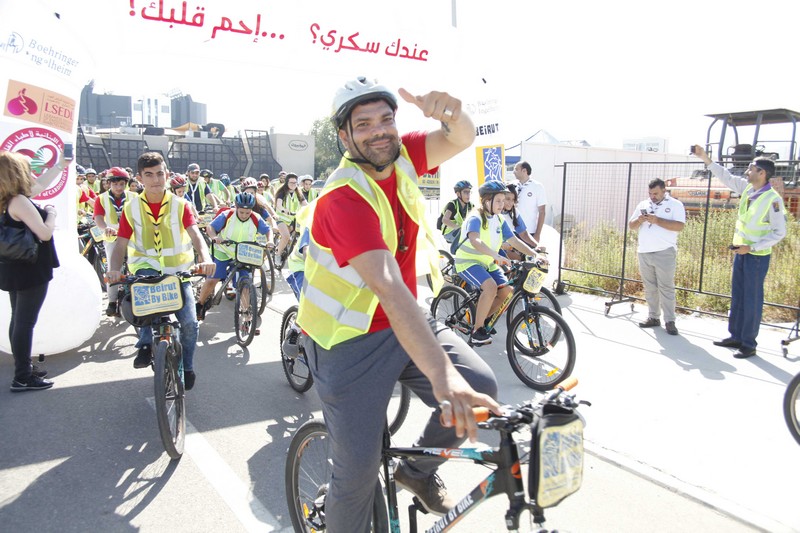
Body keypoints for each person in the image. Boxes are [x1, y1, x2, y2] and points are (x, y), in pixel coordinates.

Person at [295, 77, 500, 531]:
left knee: (480, 386)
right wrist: (442, 378)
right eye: (363, 124)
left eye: (386, 119)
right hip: (346, 342)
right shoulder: (342, 198)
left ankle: (415, 472)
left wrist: (452, 114)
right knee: (357, 476)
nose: (379, 131)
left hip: (403, 324)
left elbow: (460, 138)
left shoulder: (402, 155)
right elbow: (389, 287)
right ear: (344, 136)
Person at [107, 152, 215, 390]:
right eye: (149, 175)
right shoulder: (130, 207)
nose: (155, 179)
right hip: (145, 270)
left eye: (159, 174)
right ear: (139, 178)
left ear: (167, 175)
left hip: (179, 272)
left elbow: (196, 235)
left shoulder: (181, 205)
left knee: (189, 323)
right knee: (140, 308)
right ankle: (145, 343)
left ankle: (187, 367)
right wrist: (114, 270)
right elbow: (121, 243)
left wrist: (205, 258)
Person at [693, 145, 787, 358]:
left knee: (752, 299)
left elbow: (779, 233)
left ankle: (748, 343)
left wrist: (751, 247)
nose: (747, 171)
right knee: (738, 296)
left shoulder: (773, 200)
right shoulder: (747, 189)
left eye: (751, 168)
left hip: (756, 257)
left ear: (762, 173)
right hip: (741, 254)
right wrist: (706, 159)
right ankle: (735, 336)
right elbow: (725, 176)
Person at [0, 150, 66, 392]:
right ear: (18, 174)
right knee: (24, 322)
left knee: (18, 319)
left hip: (13, 266)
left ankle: (23, 367)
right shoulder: (18, 200)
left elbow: (38, 187)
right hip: (29, 268)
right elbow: (44, 233)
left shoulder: (8, 199)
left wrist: (60, 166)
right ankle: (22, 376)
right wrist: (51, 214)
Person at [454, 180, 539, 345]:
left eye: (504, 200)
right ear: (487, 201)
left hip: (487, 262)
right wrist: (496, 255)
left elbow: (514, 240)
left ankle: (483, 318)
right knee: (491, 287)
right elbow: (475, 240)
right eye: (498, 201)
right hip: (467, 262)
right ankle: (476, 331)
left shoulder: (499, 220)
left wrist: (534, 254)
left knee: (507, 291)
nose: (502, 204)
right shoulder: (475, 216)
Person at [195, 192, 270, 319]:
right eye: (241, 212)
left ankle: (247, 316)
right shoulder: (227, 215)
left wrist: (270, 241)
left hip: (243, 253)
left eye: (248, 212)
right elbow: (210, 227)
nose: (245, 215)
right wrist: (214, 237)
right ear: (236, 208)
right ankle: (200, 304)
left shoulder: (256, 218)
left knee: (246, 283)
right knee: (213, 279)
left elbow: (268, 231)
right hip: (223, 250)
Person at [628, 178, 686, 336]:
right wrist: (640, 220)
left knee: (666, 287)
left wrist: (657, 220)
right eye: (650, 193)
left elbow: (680, 226)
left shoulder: (675, 204)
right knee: (650, 287)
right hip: (644, 252)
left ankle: (670, 321)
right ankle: (653, 317)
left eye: (656, 193)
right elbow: (631, 226)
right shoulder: (643, 205)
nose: (652, 196)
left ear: (664, 191)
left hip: (664, 252)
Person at [93, 166, 133, 316]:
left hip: (131, 237)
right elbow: (98, 217)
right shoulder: (101, 198)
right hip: (112, 237)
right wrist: (105, 228)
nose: (118, 187)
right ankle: (111, 301)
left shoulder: (133, 197)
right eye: (115, 184)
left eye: (122, 184)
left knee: (137, 264)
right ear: (109, 184)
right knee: (113, 267)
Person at [499, 183, 539, 261]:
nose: (511, 202)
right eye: (508, 199)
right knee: (522, 258)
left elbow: (523, 233)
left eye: (513, 200)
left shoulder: (514, 212)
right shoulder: (496, 214)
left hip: (511, 245)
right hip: (497, 250)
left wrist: (536, 246)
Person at [273, 172, 307, 259]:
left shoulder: (298, 193)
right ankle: (278, 254)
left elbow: (305, 204)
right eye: (291, 183)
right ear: (287, 182)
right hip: (281, 218)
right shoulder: (282, 192)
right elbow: (279, 205)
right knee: (286, 236)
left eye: (295, 183)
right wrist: (284, 210)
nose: (293, 185)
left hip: (293, 220)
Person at [513, 160, 547, 245]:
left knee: (528, 256)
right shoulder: (512, 185)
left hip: (529, 231)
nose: (513, 172)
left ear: (524, 171)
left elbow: (542, 211)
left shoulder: (537, 186)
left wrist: (537, 234)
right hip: (512, 230)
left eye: (516, 169)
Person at [439, 179, 472, 244]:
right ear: (458, 194)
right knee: (466, 242)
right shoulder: (452, 204)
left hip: (460, 231)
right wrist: (458, 228)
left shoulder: (470, 205)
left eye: (469, 192)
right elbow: (445, 220)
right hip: (449, 232)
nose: (468, 195)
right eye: (465, 192)